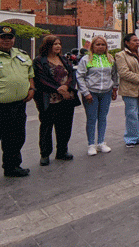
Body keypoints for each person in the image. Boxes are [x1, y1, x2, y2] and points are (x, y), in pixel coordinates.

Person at [33, 35, 81, 166]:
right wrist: (58, 89)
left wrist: (67, 87)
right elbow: (41, 79)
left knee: (65, 126)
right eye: (55, 44)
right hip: (49, 100)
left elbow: (72, 74)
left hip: (66, 99)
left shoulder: (64, 59)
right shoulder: (39, 61)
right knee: (46, 127)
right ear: (47, 45)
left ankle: (62, 151)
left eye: (59, 44)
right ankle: (45, 154)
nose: (58, 46)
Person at [0, 26, 34, 177]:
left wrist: (31, 89)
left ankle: (12, 166)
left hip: (18, 105)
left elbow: (29, 74)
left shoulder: (22, 55)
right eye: (3, 37)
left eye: (9, 38)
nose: (6, 41)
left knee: (17, 137)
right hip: (1, 106)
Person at [76, 36, 119, 156]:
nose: (100, 47)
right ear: (92, 46)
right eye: (98, 44)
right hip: (91, 93)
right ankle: (91, 144)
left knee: (103, 118)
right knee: (91, 119)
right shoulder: (86, 59)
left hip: (106, 92)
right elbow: (80, 77)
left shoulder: (110, 59)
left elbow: (114, 74)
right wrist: (85, 93)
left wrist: (115, 88)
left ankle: (101, 142)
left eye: (103, 45)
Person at [115, 34, 139, 147]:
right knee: (132, 114)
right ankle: (131, 138)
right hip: (130, 89)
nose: (137, 42)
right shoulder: (121, 55)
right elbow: (124, 72)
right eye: (134, 40)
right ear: (126, 42)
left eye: (137, 40)